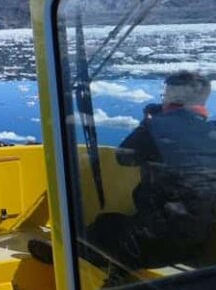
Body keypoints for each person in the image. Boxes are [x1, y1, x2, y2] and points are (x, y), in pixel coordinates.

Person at [86, 71, 216, 270]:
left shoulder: (155, 128)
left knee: (104, 227)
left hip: (163, 237)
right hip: (207, 240)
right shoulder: (212, 130)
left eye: (166, 95)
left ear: (173, 99)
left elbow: (124, 157)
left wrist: (149, 123)